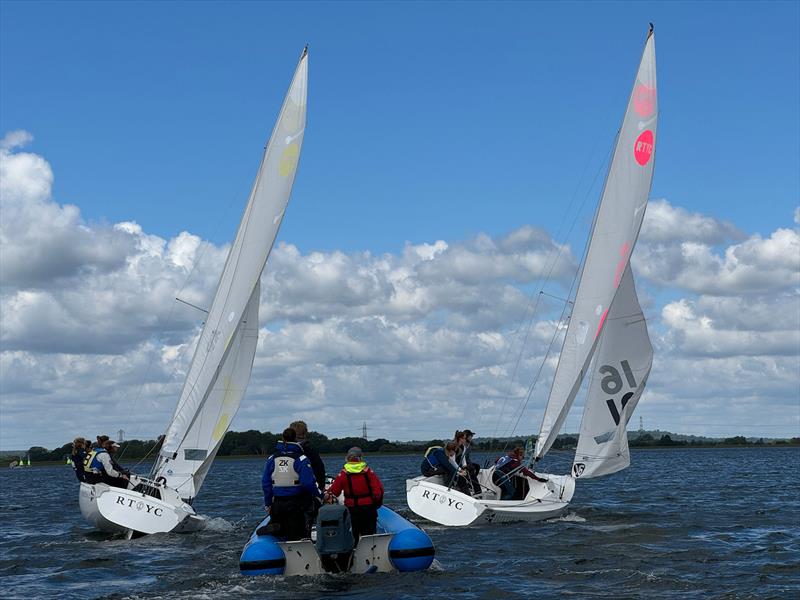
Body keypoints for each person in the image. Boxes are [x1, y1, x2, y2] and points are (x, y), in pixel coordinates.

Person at [262, 428, 322, 541]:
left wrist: (268, 503)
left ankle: (277, 530)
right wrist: (320, 495)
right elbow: (308, 483)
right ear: (295, 439)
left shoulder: (272, 458)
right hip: (296, 503)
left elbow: (266, 483)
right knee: (297, 533)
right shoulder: (301, 458)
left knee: (280, 530)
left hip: (278, 503)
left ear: (283, 439)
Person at [325, 447, 384, 544]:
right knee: (369, 534)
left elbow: (335, 491)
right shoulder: (368, 472)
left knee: (353, 534)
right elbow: (378, 491)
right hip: (368, 508)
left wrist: (326, 494)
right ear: (360, 457)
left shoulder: (343, 474)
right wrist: (376, 503)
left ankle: (354, 551)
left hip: (352, 508)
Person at [289, 420, 326, 492]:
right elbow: (319, 470)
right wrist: (321, 488)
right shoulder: (310, 452)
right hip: (304, 494)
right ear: (305, 433)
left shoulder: (279, 453)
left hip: (281, 495)